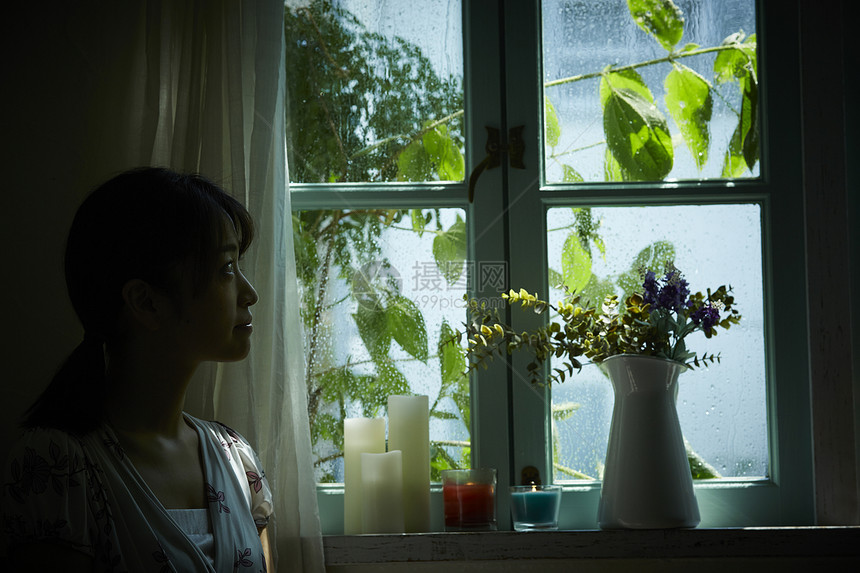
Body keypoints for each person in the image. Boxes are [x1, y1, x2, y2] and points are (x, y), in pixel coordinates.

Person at [1, 167, 273, 571]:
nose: (249, 293)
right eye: (226, 269)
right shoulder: (59, 468)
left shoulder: (237, 460)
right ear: (146, 302)